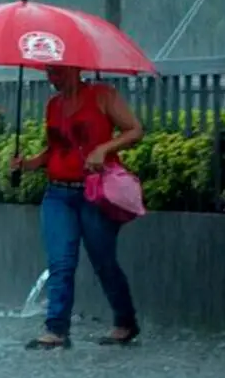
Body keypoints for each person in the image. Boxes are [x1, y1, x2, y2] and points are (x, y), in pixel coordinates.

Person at [11, 66, 144, 350]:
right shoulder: (54, 105)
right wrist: (29, 163)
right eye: (49, 71)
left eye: (57, 72)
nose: (52, 78)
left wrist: (103, 149)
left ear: (75, 68)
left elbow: (135, 130)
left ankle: (125, 321)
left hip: (95, 193)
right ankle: (56, 329)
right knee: (60, 262)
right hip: (58, 194)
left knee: (104, 261)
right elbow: (55, 150)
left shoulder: (102, 95)